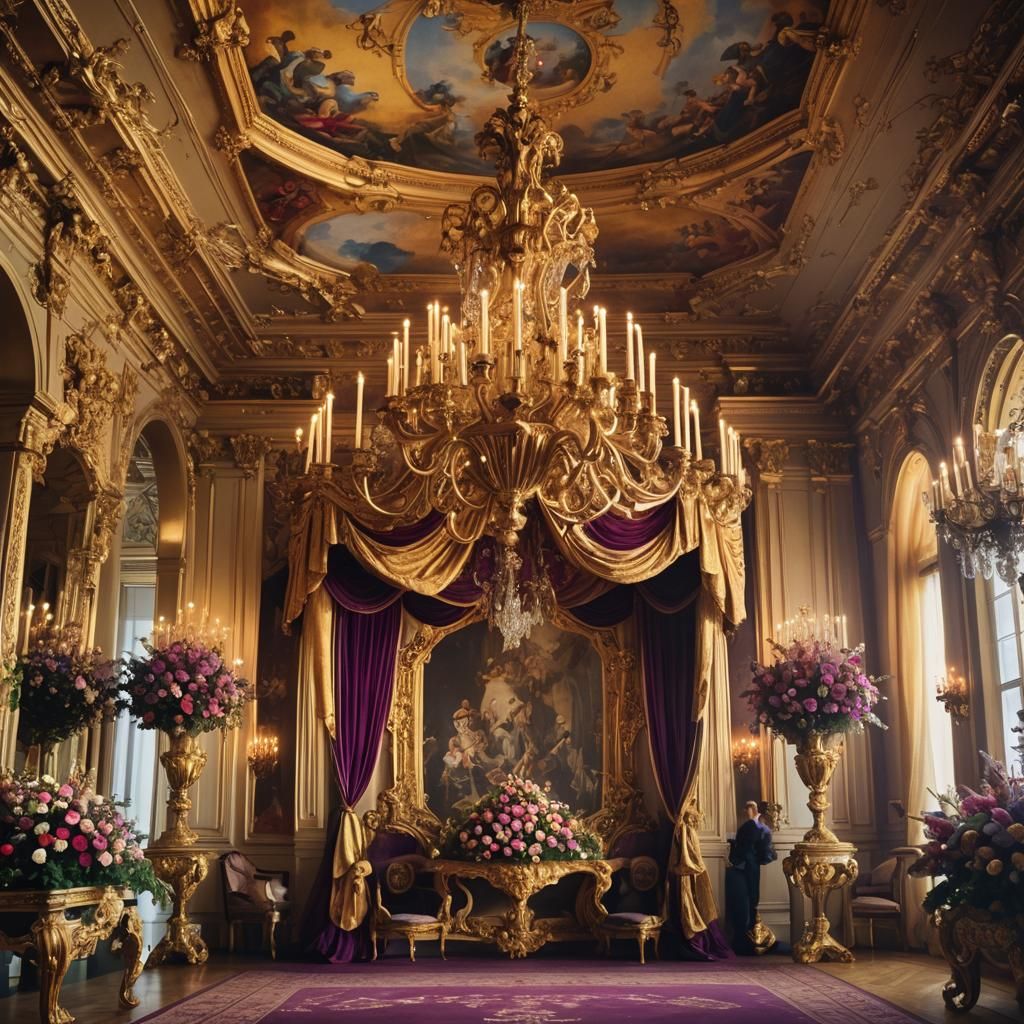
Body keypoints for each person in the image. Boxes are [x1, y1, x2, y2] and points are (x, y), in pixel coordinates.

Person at [726, 800, 777, 954]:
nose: (746, 811)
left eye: (749, 808)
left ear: (754, 810)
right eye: (746, 808)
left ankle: (746, 941)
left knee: (749, 900)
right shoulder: (756, 826)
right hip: (747, 867)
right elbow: (764, 850)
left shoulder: (755, 826)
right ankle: (745, 940)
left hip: (748, 866)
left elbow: (762, 849)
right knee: (748, 900)